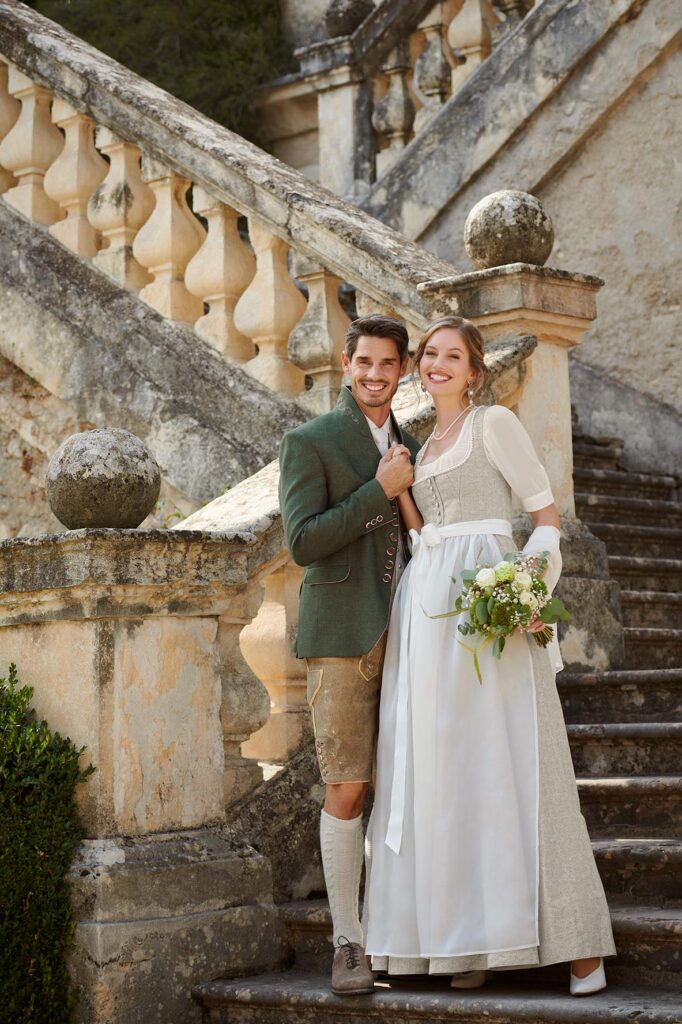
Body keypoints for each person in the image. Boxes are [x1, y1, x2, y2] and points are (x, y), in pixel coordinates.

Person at [363, 315, 616, 996]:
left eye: (453, 356)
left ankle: (580, 945)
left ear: (474, 370)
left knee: (521, 765)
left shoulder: (493, 425)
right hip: (427, 617)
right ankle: (461, 944)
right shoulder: (419, 442)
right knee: (445, 776)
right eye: (430, 355)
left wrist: (523, 591)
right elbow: (425, 532)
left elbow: (545, 519)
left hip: (489, 612)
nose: (438, 365)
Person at [279, 313, 421, 995]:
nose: (374, 375)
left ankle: (414, 940)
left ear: (403, 371)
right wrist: (379, 492)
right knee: (347, 786)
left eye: (387, 365)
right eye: (363, 363)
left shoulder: (413, 442)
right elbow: (302, 542)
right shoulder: (310, 441)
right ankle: (348, 942)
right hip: (341, 638)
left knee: (409, 792)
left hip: (413, 638)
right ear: (345, 364)